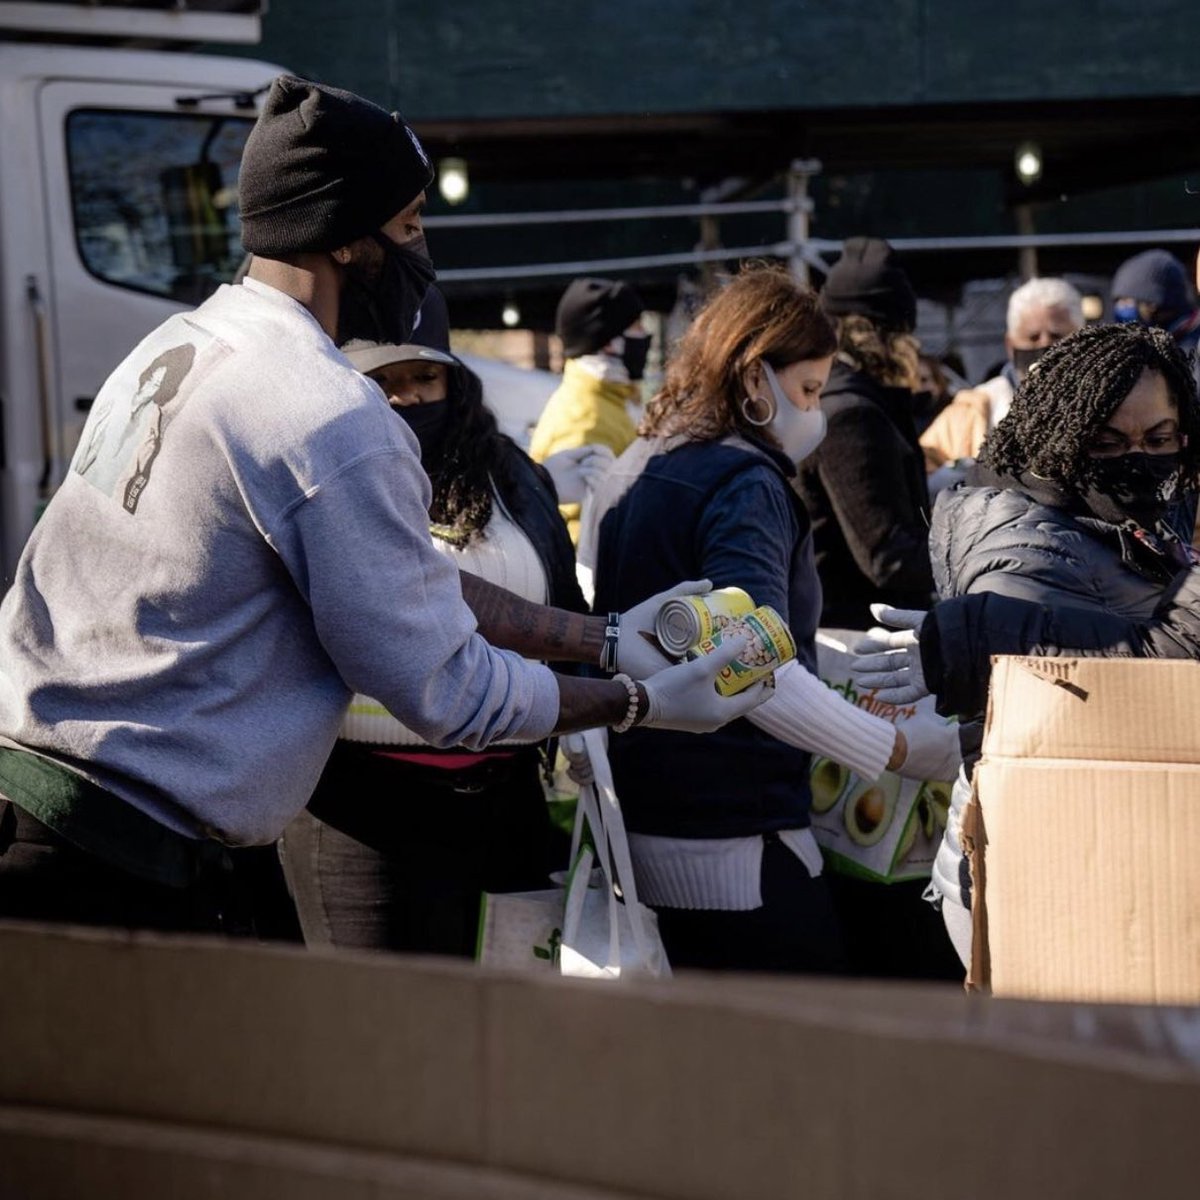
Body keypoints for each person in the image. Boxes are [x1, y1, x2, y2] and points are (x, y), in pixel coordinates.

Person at [0, 76, 766, 937]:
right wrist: (637, 703)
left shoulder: (178, 346)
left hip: (46, 802)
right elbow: (449, 691)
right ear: (343, 239)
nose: (421, 252)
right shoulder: (325, 412)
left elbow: (405, 579)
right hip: (115, 855)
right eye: (407, 226)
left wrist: (606, 639)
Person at [586, 264, 960, 976]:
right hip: (740, 837)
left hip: (647, 819)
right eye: (809, 389)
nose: (816, 412)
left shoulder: (637, 462)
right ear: (756, 377)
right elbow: (753, 668)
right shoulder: (744, 482)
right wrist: (901, 748)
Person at [854, 322, 1200, 963]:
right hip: (1048, 874)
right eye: (1110, 441)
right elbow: (1112, 690)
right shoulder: (1021, 546)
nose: (1141, 459)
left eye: (1160, 439)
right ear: (1065, 438)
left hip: (1109, 852)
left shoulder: (1119, 512)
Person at [281, 335, 587, 955]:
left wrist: (588, 722)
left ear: (456, 383)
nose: (408, 396)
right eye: (385, 381)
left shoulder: (514, 475)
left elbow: (562, 604)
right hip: (360, 816)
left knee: (495, 1032)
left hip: (505, 804)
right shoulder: (321, 477)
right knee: (379, 1031)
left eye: (425, 377)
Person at [795, 236, 935, 630]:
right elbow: (887, 556)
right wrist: (970, 557)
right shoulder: (851, 415)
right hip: (858, 641)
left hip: (852, 632)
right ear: (889, 336)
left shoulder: (846, 402)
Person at [920, 276, 1084, 494]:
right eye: (1033, 337)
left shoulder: (1107, 405)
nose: (1046, 345)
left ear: (1081, 338)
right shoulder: (971, 410)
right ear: (1010, 344)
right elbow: (922, 478)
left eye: (1057, 336)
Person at [529, 276, 650, 542]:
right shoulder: (585, 419)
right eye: (637, 327)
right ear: (609, 342)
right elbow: (578, 532)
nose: (644, 336)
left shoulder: (610, 400)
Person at [1111, 249, 1200, 389]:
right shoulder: (1130, 350)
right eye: (1119, 300)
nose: (1122, 307)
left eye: (1129, 300)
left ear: (1157, 306)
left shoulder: (1194, 348)